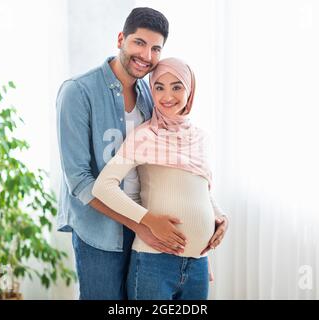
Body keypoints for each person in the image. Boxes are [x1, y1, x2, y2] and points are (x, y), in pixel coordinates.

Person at [56, 7, 178, 300]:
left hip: (146, 224)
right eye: (139, 43)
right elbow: (79, 181)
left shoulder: (152, 94)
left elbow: (172, 155)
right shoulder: (77, 92)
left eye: (155, 49)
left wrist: (212, 213)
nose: (146, 56)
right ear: (121, 38)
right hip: (101, 231)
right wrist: (142, 223)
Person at [92, 57, 229, 300]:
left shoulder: (199, 138)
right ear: (151, 90)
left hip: (198, 263)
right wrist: (148, 220)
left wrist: (220, 217)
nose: (168, 96)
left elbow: (201, 191)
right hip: (153, 262)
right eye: (159, 87)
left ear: (190, 90)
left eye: (177, 87)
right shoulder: (143, 136)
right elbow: (103, 187)